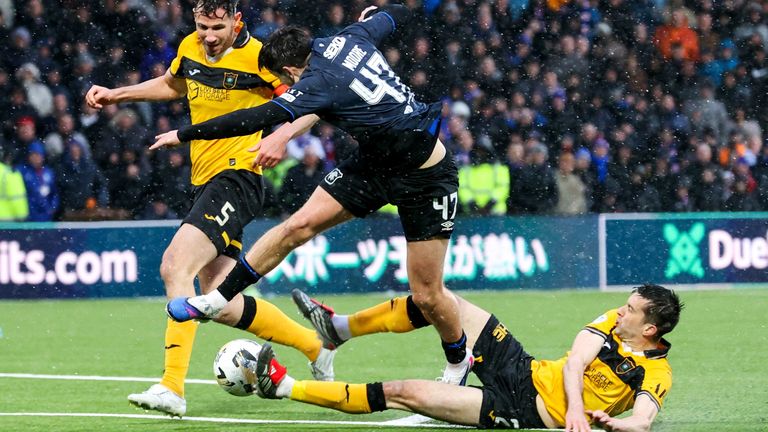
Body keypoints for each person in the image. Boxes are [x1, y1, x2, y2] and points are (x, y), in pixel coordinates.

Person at [156, 4, 473, 384]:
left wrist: (184, 134)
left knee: (427, 295)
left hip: (425, 176)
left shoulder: (316, 83)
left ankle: (459, 363)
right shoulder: (352, 36)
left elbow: (253, 118)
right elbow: (395, 16)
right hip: (374, 164)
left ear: (290, 71)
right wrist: (384, 11)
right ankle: (217, 298)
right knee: (296, 227)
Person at [85, 0, 333, 417]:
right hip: (204, 181)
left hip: (238, 176)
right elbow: (173, 85)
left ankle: (172, 387)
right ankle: (316, 346)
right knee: (219, 300)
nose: (209, 36)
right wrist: (117, 95)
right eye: (202, 26)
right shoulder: (189, 47)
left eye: (218, 27)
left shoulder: (261, 58)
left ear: (237, 21)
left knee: (174, 266)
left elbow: (313, 102)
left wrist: (281, 137)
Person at [249, 284, 682, 432]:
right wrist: (576, 411)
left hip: (520, 410)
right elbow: (575, 363)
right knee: (440, 300)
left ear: (650, 330)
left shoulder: (656, 372)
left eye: (630, 310)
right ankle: (339, 328)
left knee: (402, 392)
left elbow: (642, 421)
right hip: (523, 367)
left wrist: (617, 425)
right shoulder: (612, 321)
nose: (620, 311)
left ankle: (284, 387)